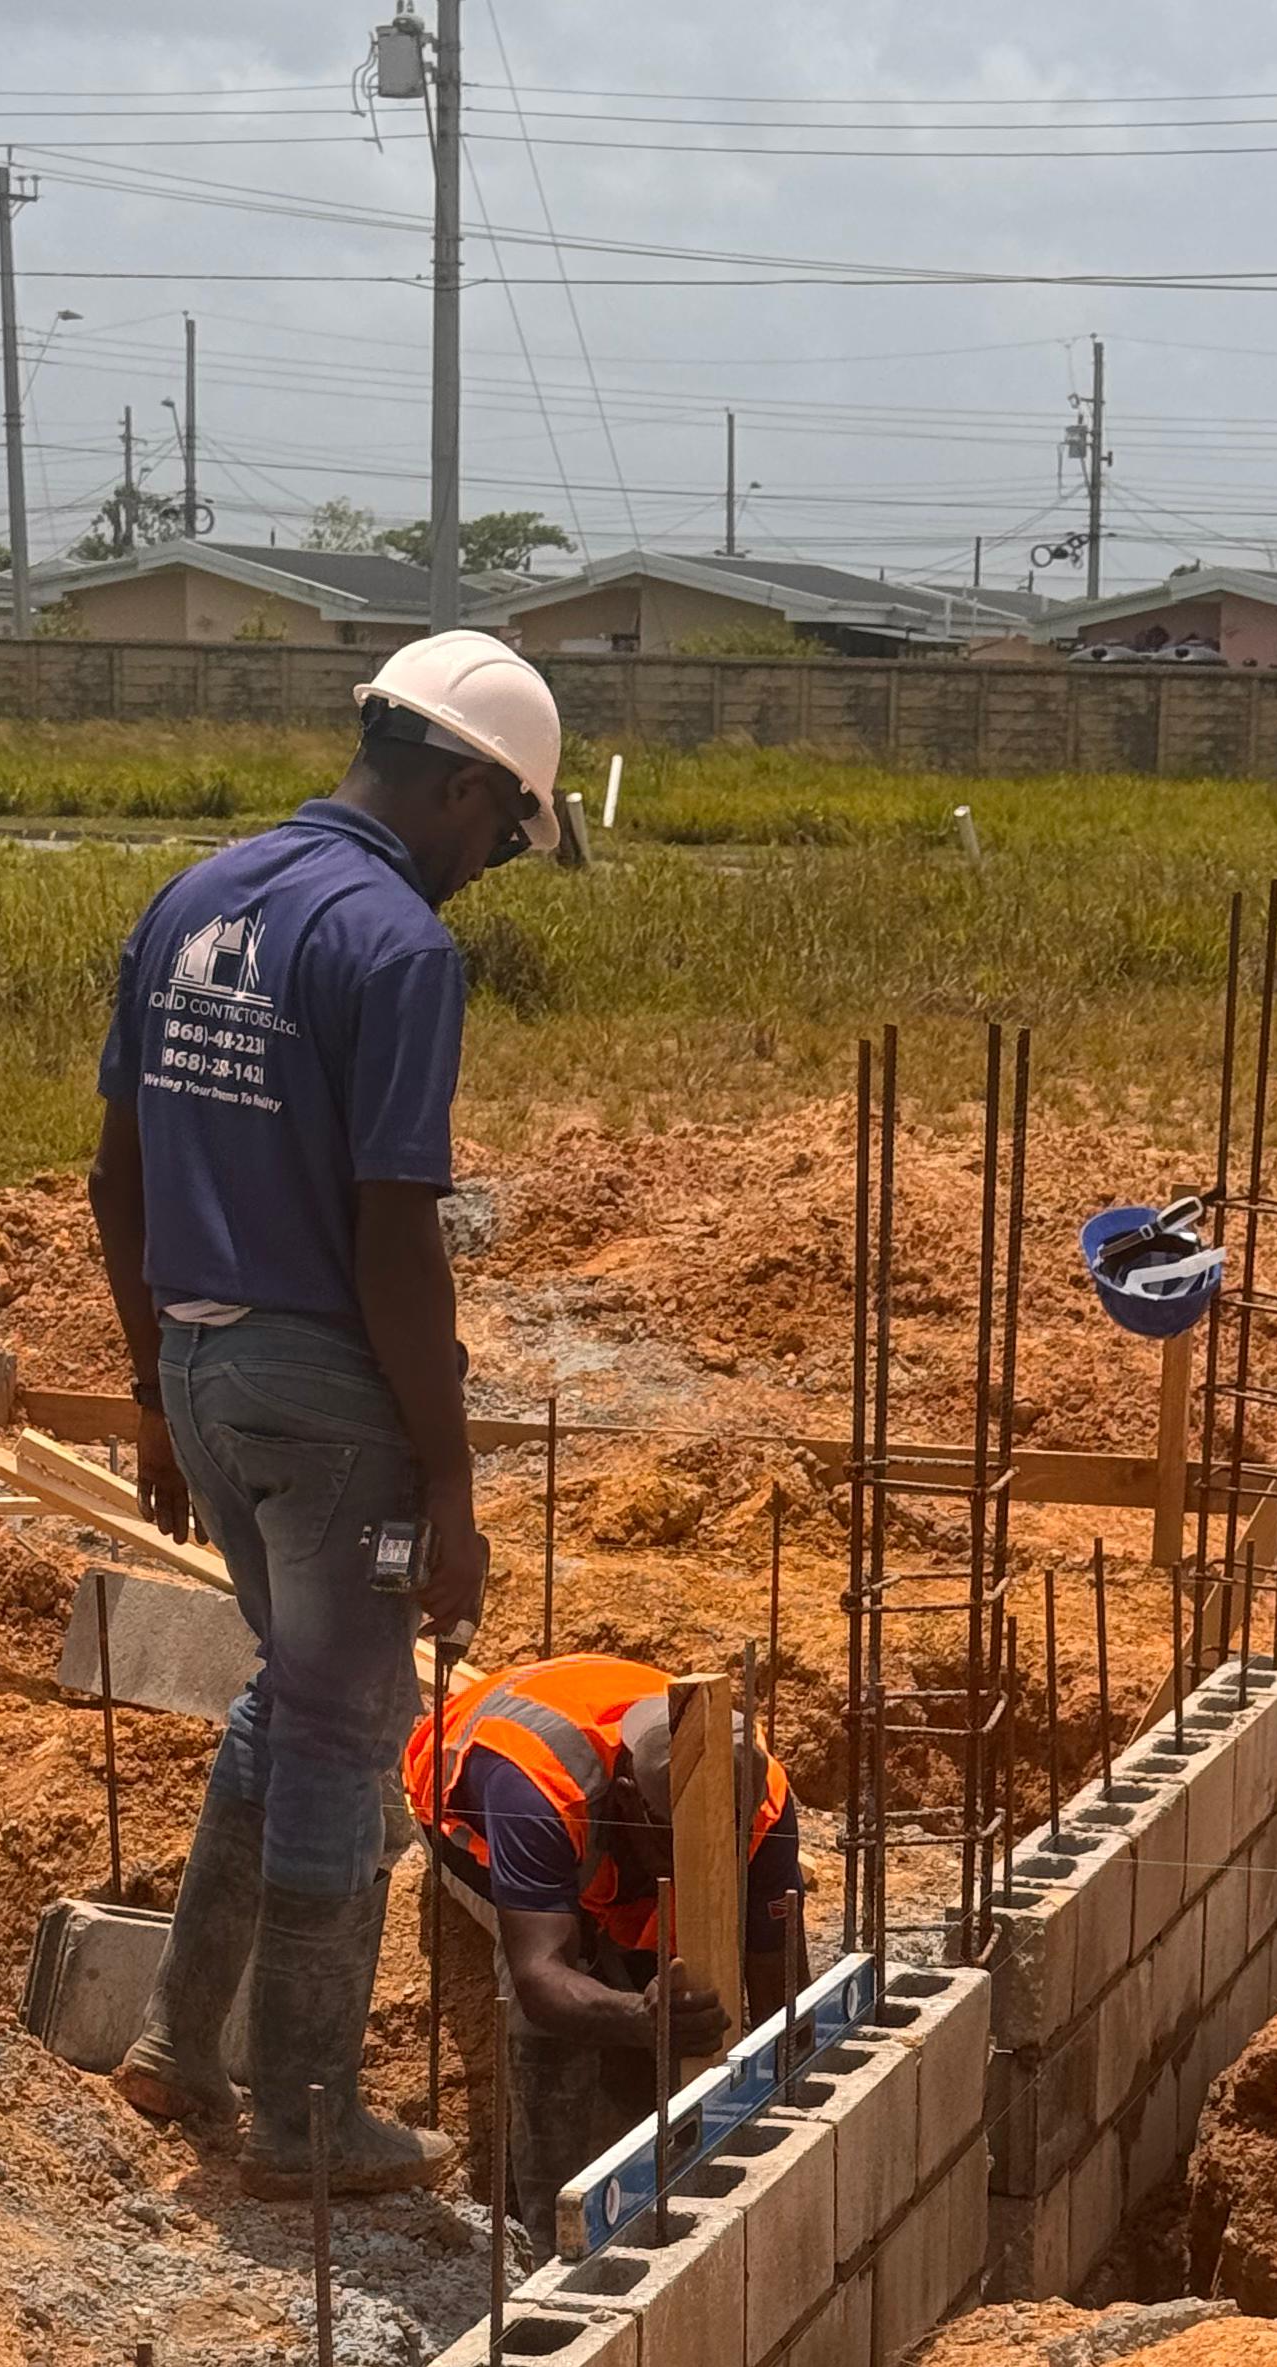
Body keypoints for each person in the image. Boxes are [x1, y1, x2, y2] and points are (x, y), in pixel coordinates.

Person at [85, 627, 566, 2192]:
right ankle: (301, 2115)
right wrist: (447, 1482)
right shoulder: (400, 949)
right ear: (462, 782)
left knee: (291, 1701)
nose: (495, 861)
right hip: (329, 1407)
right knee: (348, 1738)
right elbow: (392, 1234)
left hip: (205, 1377)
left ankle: (179, 2048)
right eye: (506, 827)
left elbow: (117, 1175)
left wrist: (155, 1397)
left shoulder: (192, 896)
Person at [404, 1656, 805, 2237]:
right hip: (467, 1812)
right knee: (563, 1997)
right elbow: (541, 1977)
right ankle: (548, 2232)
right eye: (675, 1846)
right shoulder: (540, 1791)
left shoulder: (757, 1794)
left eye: (722, 1846)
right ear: (626, 1800)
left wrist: (785, 2110)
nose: (700, 1868)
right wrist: (639, 2018)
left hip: (591, 1763)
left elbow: (781, 1983)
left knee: (656, 1978)